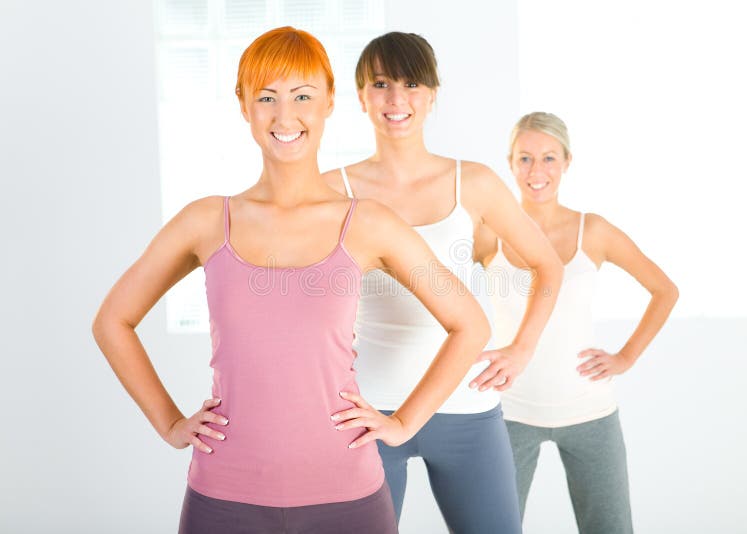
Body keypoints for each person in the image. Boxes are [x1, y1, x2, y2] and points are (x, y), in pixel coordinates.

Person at [92, 26, 492, 534]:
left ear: (328, 102)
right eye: (267, 97)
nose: (285, 116)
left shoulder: (368, 222)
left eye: (303, 96)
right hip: (223, 496)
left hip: (348, 495)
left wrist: (403, 423)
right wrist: (170, 423)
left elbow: (470, 325)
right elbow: (112, 320)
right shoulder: (206, 221)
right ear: (243, 105)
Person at [321, 32, 563, 533]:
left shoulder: (472, 182)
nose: (396, 99)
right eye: (381, 84)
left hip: (467, 407)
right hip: (367, 408)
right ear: (361, 96)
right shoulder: (330, 191)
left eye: (411, 84)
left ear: (432, 93)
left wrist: (522, 349)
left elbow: (547, 264)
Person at [489, 112, 679, 533]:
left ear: (567, 162)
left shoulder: (591, 231)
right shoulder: (489, 233)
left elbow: (664, 290)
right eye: (525, 158)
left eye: (549, 158)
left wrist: (626, 356)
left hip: (590, 413)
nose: (537, 171)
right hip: (510, 414)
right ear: (510, 162)